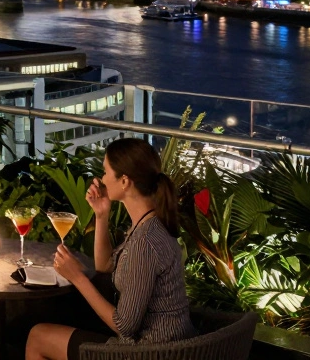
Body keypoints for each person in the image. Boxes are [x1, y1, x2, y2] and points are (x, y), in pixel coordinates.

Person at [26, 138, 196, 360]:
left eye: (105, 171)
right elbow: (105, 266)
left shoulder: (144, 243)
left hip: (149, 351)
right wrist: (101, 215)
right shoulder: (151, 224)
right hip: (168, 344)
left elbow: (124, 326)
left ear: (124, 181)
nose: (102, 179)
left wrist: (77, 277)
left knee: (38, 337)